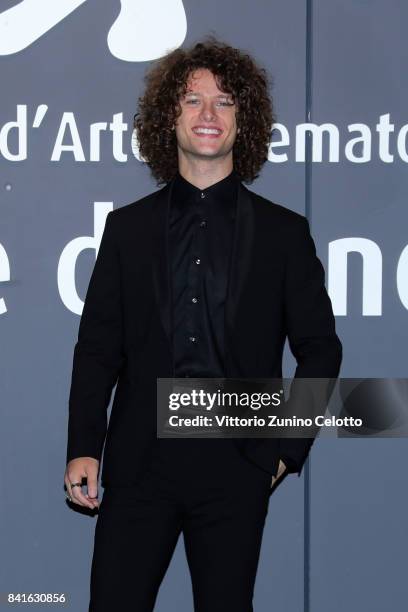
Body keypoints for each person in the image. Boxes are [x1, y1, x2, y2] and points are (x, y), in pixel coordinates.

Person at [64, 36, 342, 612]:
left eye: (225, 102)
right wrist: (83, 447)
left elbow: (320, 349)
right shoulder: (127, 230)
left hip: (237, 463)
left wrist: (285, 450)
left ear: (246, 120)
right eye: (193, 100)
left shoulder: (284, 234)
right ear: (171, 116)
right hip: (140, 464)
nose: (208, 114)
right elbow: (97, 350)